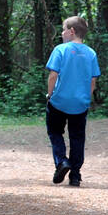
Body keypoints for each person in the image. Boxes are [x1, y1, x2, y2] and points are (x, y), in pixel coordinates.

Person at [45, 16, 100, 187]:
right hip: (80, 104)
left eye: (63, 29)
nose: (61, 33)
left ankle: (62, 161)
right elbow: (93, 81)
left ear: (72, 31)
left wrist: (49, 94)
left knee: (55, 132)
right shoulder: (91, 53)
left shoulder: (60, 50)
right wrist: (86, 98)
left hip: (59, 102)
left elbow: (53, 75)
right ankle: (75, 175)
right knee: (77, 138)